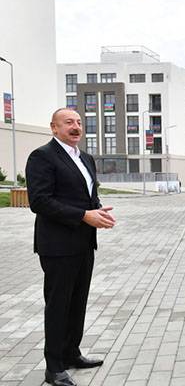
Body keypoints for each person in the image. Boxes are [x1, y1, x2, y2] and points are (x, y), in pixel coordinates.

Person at [26, 108, 116, 386]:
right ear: (54, 128)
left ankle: (71, 353)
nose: (75, 127)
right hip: (57, 245)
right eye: (68, 123)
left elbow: (89, 194)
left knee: (78, 302)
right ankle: (53, 367)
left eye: (78, 122)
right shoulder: (42, 157)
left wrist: (98, 211)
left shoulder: (86, 158)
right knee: (58, 305)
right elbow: (39, 201)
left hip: (83, 242)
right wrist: (82, 216)